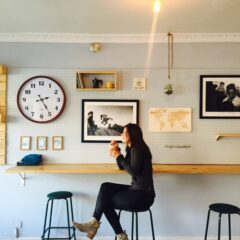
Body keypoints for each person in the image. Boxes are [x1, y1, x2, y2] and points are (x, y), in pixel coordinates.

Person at [73, 123, 155, 240]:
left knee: (104, 201)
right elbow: (123, 166)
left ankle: (110, 231)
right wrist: (117, 151)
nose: (122, 134)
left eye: (125, 132)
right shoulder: (132, 149)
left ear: (133, 135)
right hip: (136, 190)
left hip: (143, 196)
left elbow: (134, 171)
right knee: (105, 187)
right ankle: (95, 223)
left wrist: (118, 155)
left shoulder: (138, 149)